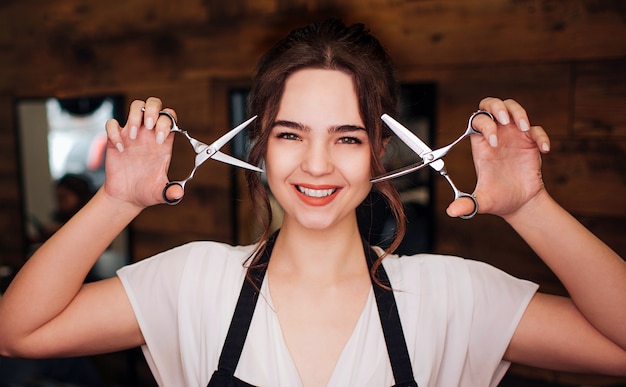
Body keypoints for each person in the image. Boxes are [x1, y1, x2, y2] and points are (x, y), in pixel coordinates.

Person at [0, 18, 624, 387]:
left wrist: (528, 206)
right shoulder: (192, 281)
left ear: (379, 151)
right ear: (260, 146)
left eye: (346, 138)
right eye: (290, 134)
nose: (317, 164)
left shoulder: (452, 296)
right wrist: (114, 200)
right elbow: (17, 331)